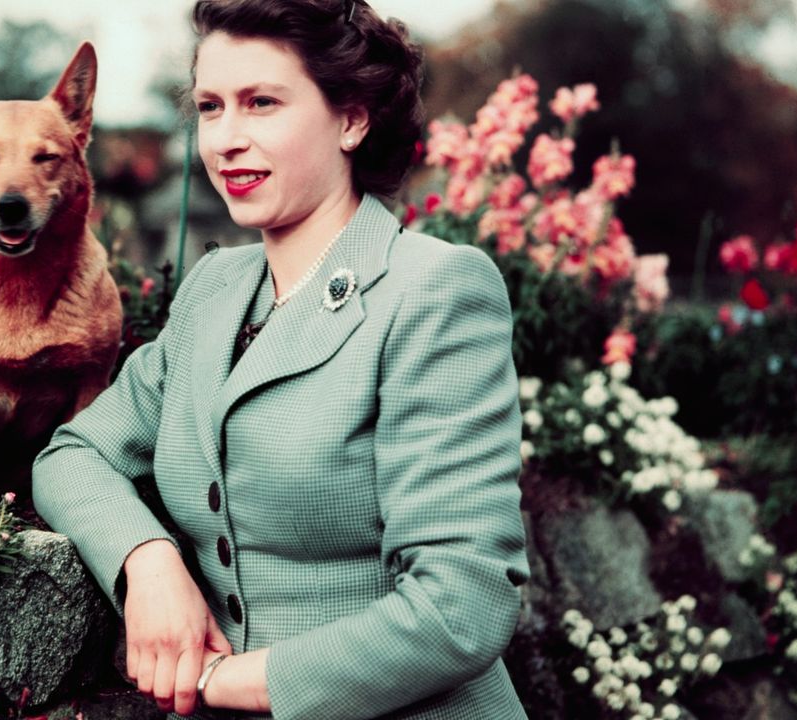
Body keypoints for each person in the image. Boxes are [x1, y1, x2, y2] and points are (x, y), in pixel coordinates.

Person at [32, 1, 531, 718]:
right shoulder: (213, 291)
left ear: (352, 119)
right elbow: (75, 454)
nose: (227, 139)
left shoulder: (436, 289)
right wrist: (148, 560)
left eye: (261, 103)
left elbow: (463, 605)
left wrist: (221, 682)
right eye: (211, 107)